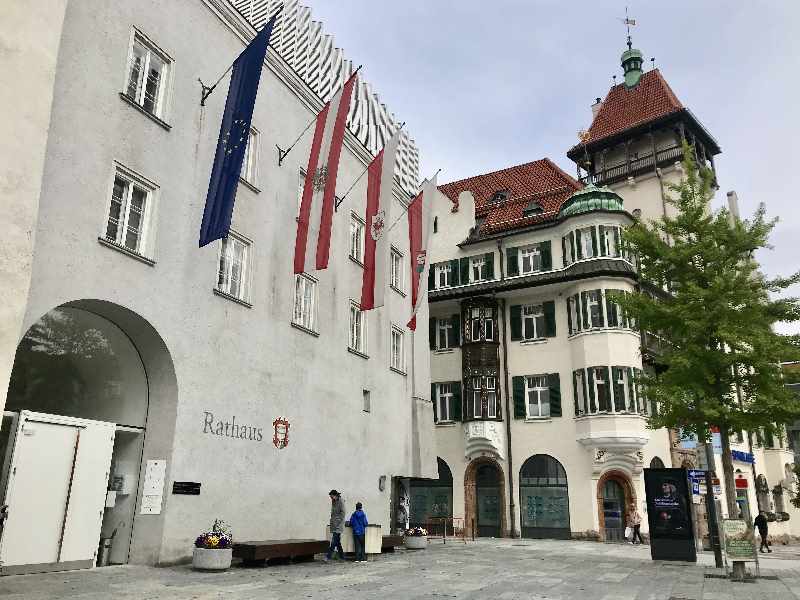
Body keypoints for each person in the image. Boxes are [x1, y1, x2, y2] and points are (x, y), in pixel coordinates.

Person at [326, 490, 346, 561]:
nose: (331, 498)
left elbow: (343, 513)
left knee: (334, 541)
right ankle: (342, 557)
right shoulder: (333, 501)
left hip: (338, 525)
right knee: (337, 542)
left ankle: (328, 556)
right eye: (330, 497)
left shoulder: (341, 501)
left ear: (335, 495)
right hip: (334, 524)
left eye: (331, 496)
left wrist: (338, 523)